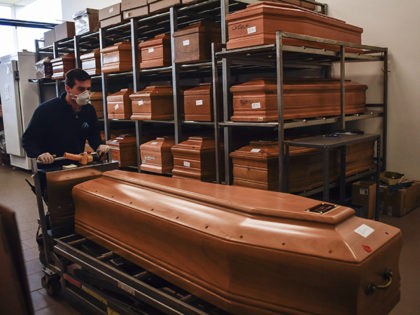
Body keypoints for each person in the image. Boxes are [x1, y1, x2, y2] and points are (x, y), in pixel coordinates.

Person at [22, 68, 109, 165]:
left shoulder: (89, 110)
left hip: (77, 163)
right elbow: (28, 140)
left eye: (88, 89)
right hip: (52, 165)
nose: (86, 94)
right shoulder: (46, 110)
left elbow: (93, 134)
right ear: (68, 88)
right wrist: (39, 154)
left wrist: (99, 146)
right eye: (81, 89)